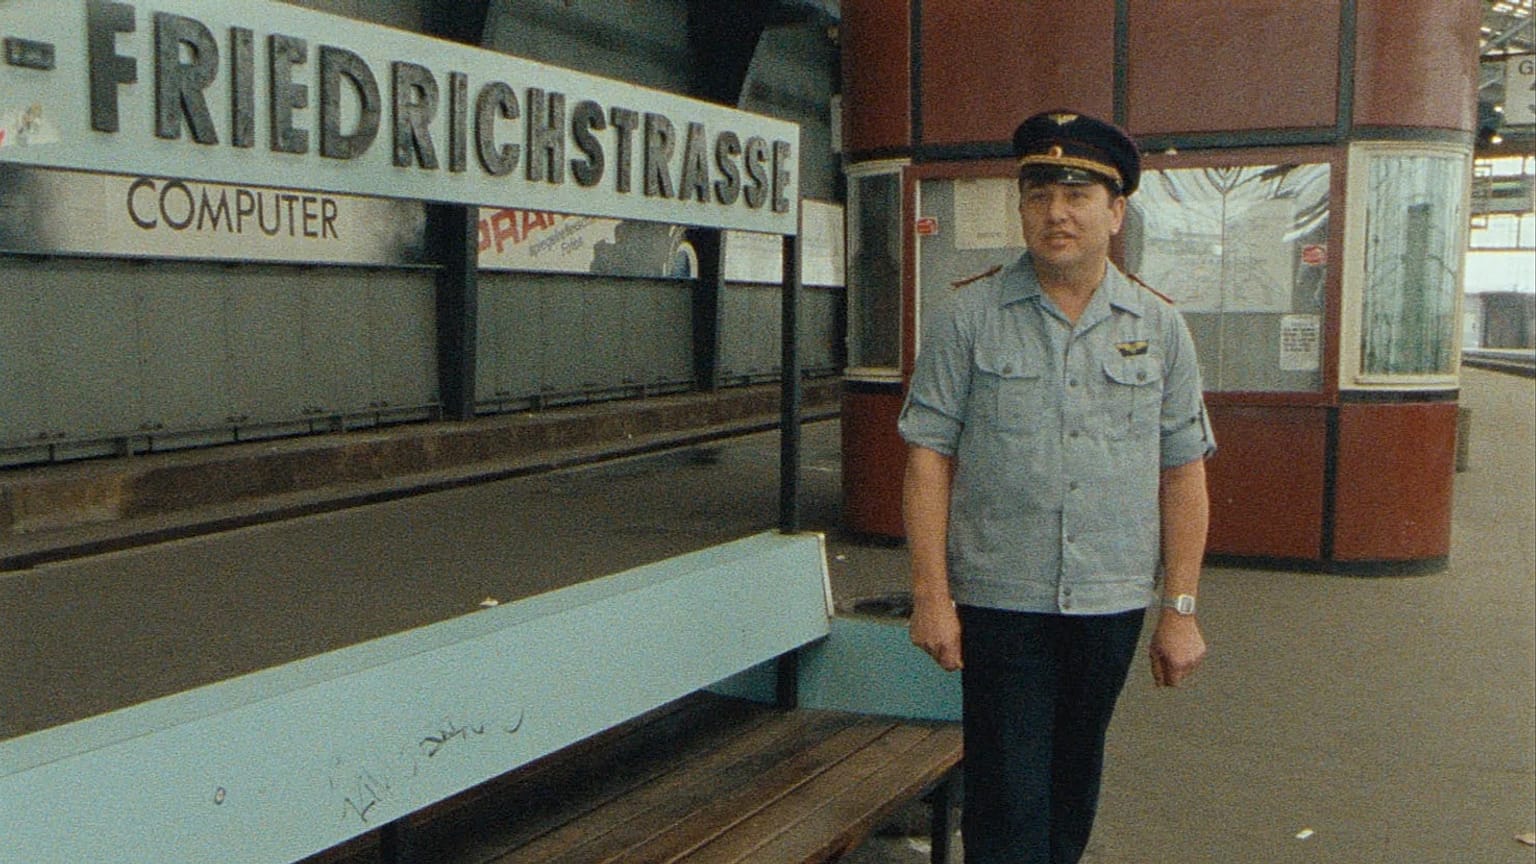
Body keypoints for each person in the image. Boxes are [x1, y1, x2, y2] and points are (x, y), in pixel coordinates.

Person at [898, 109, 1216, 864]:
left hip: (1108, 601)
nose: (1056, 214)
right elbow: (926, 460)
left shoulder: (1161, 327)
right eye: (1038, 195)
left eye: (1076, 195)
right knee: (1008, 797)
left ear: (1116, 210)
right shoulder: (966, 318)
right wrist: (930, 595)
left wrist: (1180, 609)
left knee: (1074, 787)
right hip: (1002, 598)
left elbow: (1184, 472)